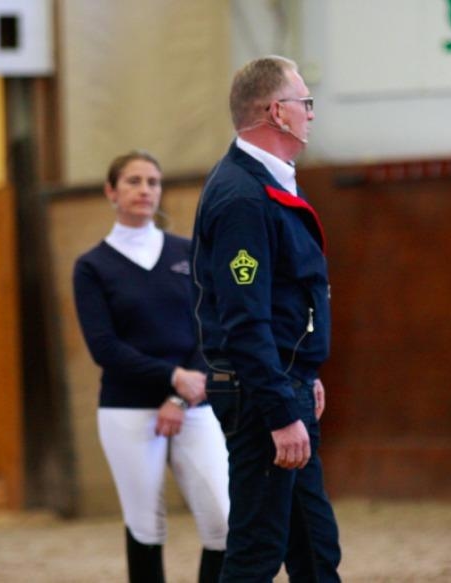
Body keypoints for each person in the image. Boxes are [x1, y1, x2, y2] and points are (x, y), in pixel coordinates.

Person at [191, 56, 342, 582]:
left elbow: (281, 303)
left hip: (283, 382)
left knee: (316, 549)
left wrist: (304, 374)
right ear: (277, 113)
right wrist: (280, 410)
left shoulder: (269, 183)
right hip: (261, 395)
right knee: (257, 552)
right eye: (305, 103)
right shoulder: (242, 198)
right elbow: (245, 318)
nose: (311, 115)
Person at [73, 151, 229, 583]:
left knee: (223, 520)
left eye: (153, 182)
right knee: (146, 525)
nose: (145, 190)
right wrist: (171, 377)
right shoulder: (92, 267)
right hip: (127, 409)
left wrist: (180, 393)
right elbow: (104, 347)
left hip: (193, 404)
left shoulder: (187, 252)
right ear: (111, 191)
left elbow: (210, 324)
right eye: (133, 181)